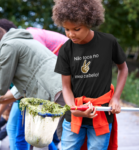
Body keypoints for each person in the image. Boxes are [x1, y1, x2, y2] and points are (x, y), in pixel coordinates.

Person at [52, 0, 128, 150]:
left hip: (102, 114)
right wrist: (74, 109)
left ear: (89, 21)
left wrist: (116, 98)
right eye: (66, 29)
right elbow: (66, 87)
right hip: (75, 116)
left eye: (76, 29)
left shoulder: (108, 42)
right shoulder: (66, 49)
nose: (70, 34)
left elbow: (123, 68)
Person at [0, 24, 64, 150]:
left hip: (56, 90)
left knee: (65, 139)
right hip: (56, 88)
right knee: (45, 139)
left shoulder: (8, 47)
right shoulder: (19, 42)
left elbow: (0, 89)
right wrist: (0, 98)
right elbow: (25, 84)